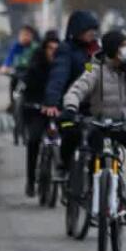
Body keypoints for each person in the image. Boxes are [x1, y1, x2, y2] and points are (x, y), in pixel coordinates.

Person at [62, 30, 126, 226]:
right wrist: (70, 107)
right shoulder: (95, 69)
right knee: (95, 158)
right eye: (124, 45)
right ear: (113, 49)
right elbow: (78, 89)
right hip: (101, 124)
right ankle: (93, 196)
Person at [43, 10, 101, 177]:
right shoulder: (66, 50)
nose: (92, 33)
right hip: (70, 106)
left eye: (94, 30)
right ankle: (65, 166)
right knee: (72, 134)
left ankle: (94, 181)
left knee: (98, 139)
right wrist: (52, 102)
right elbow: (58, 77)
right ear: (77, 30)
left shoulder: (96, 50)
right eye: (88, 30)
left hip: (93, 106)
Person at [19, 30, 60, 197]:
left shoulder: (63, 65)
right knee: (34, 140)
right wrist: (35, 104)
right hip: (37, 109)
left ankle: (67, 179)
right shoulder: (35, 63)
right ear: (44, 49)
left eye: (56, 49)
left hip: (57, 110)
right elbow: (27, 86)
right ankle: (30, 180)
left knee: (69, 138)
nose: (53, 52)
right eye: (50, 48)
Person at [2, 24, 38, 109]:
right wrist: (5, 66)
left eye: (27, 35)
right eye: (22, 35)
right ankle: (13, 103)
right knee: (13, 83)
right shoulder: (16, 46)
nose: (24, 37)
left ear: (32, 36)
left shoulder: (35, 47)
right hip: (18, 71)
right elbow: (9, 57)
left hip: (31, 72)